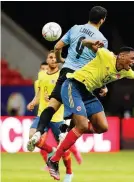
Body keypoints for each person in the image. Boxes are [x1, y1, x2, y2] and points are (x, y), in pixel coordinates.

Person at [47, 40, 134, 180]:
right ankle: (54, 160)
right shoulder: (106, 55)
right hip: (73, 86)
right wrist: (91, 42)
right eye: (132, 58)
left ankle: (71, 126)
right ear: (121, 56)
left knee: (103, 127)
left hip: (87, 93)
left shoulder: (126, 71)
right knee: (83, 125)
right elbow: (84, 42)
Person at [29, 6, 108, 147]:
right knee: (80, 110)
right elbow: (100, 67)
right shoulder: (102, 40)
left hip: (65, 71)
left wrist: (59, 59)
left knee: (52, 105)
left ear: (89, 16)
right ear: (102, 20)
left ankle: (38, 131)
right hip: (82, 78)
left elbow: (57, 47)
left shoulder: (75, 28)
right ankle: (66, 129)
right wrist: (103, 85)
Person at [27, 50, 81, 182]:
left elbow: (67, 93)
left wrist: (54, 97)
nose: (52, 59)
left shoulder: (63, 75)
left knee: (63, 147)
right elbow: (39, 92)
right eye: (50, 57)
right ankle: (51, 151)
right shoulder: (41, 75)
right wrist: (34, 101)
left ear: (57, 60)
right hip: (42, 114)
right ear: (47, 59)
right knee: (31, 137)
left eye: (54, 57)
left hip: (58, 117)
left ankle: (69, 173)